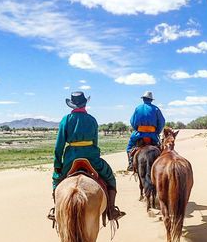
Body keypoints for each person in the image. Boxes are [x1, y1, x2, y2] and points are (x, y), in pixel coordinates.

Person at [49, 91, 125, 221]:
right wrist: (93, 154)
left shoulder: (66, 120)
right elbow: (95, 142)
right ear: (84, 104)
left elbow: (59, 145)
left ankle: (56, 209)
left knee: (57, 179)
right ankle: (111, 209)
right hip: (92, 157)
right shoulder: (92, 120)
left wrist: (57, 165)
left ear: (72, 105)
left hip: (70, 158)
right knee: (109, 176)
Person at [126, 91, 165, 171]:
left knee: (129, 147)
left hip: (139, 134)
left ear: (143, 99)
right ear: (151, 100)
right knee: (161, 148)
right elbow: (162, 122)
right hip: (153, 135)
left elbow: (132, 121)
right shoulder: (156, 109)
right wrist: (156, 132)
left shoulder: (137, 108)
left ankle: (130, 163)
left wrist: (137, 129)